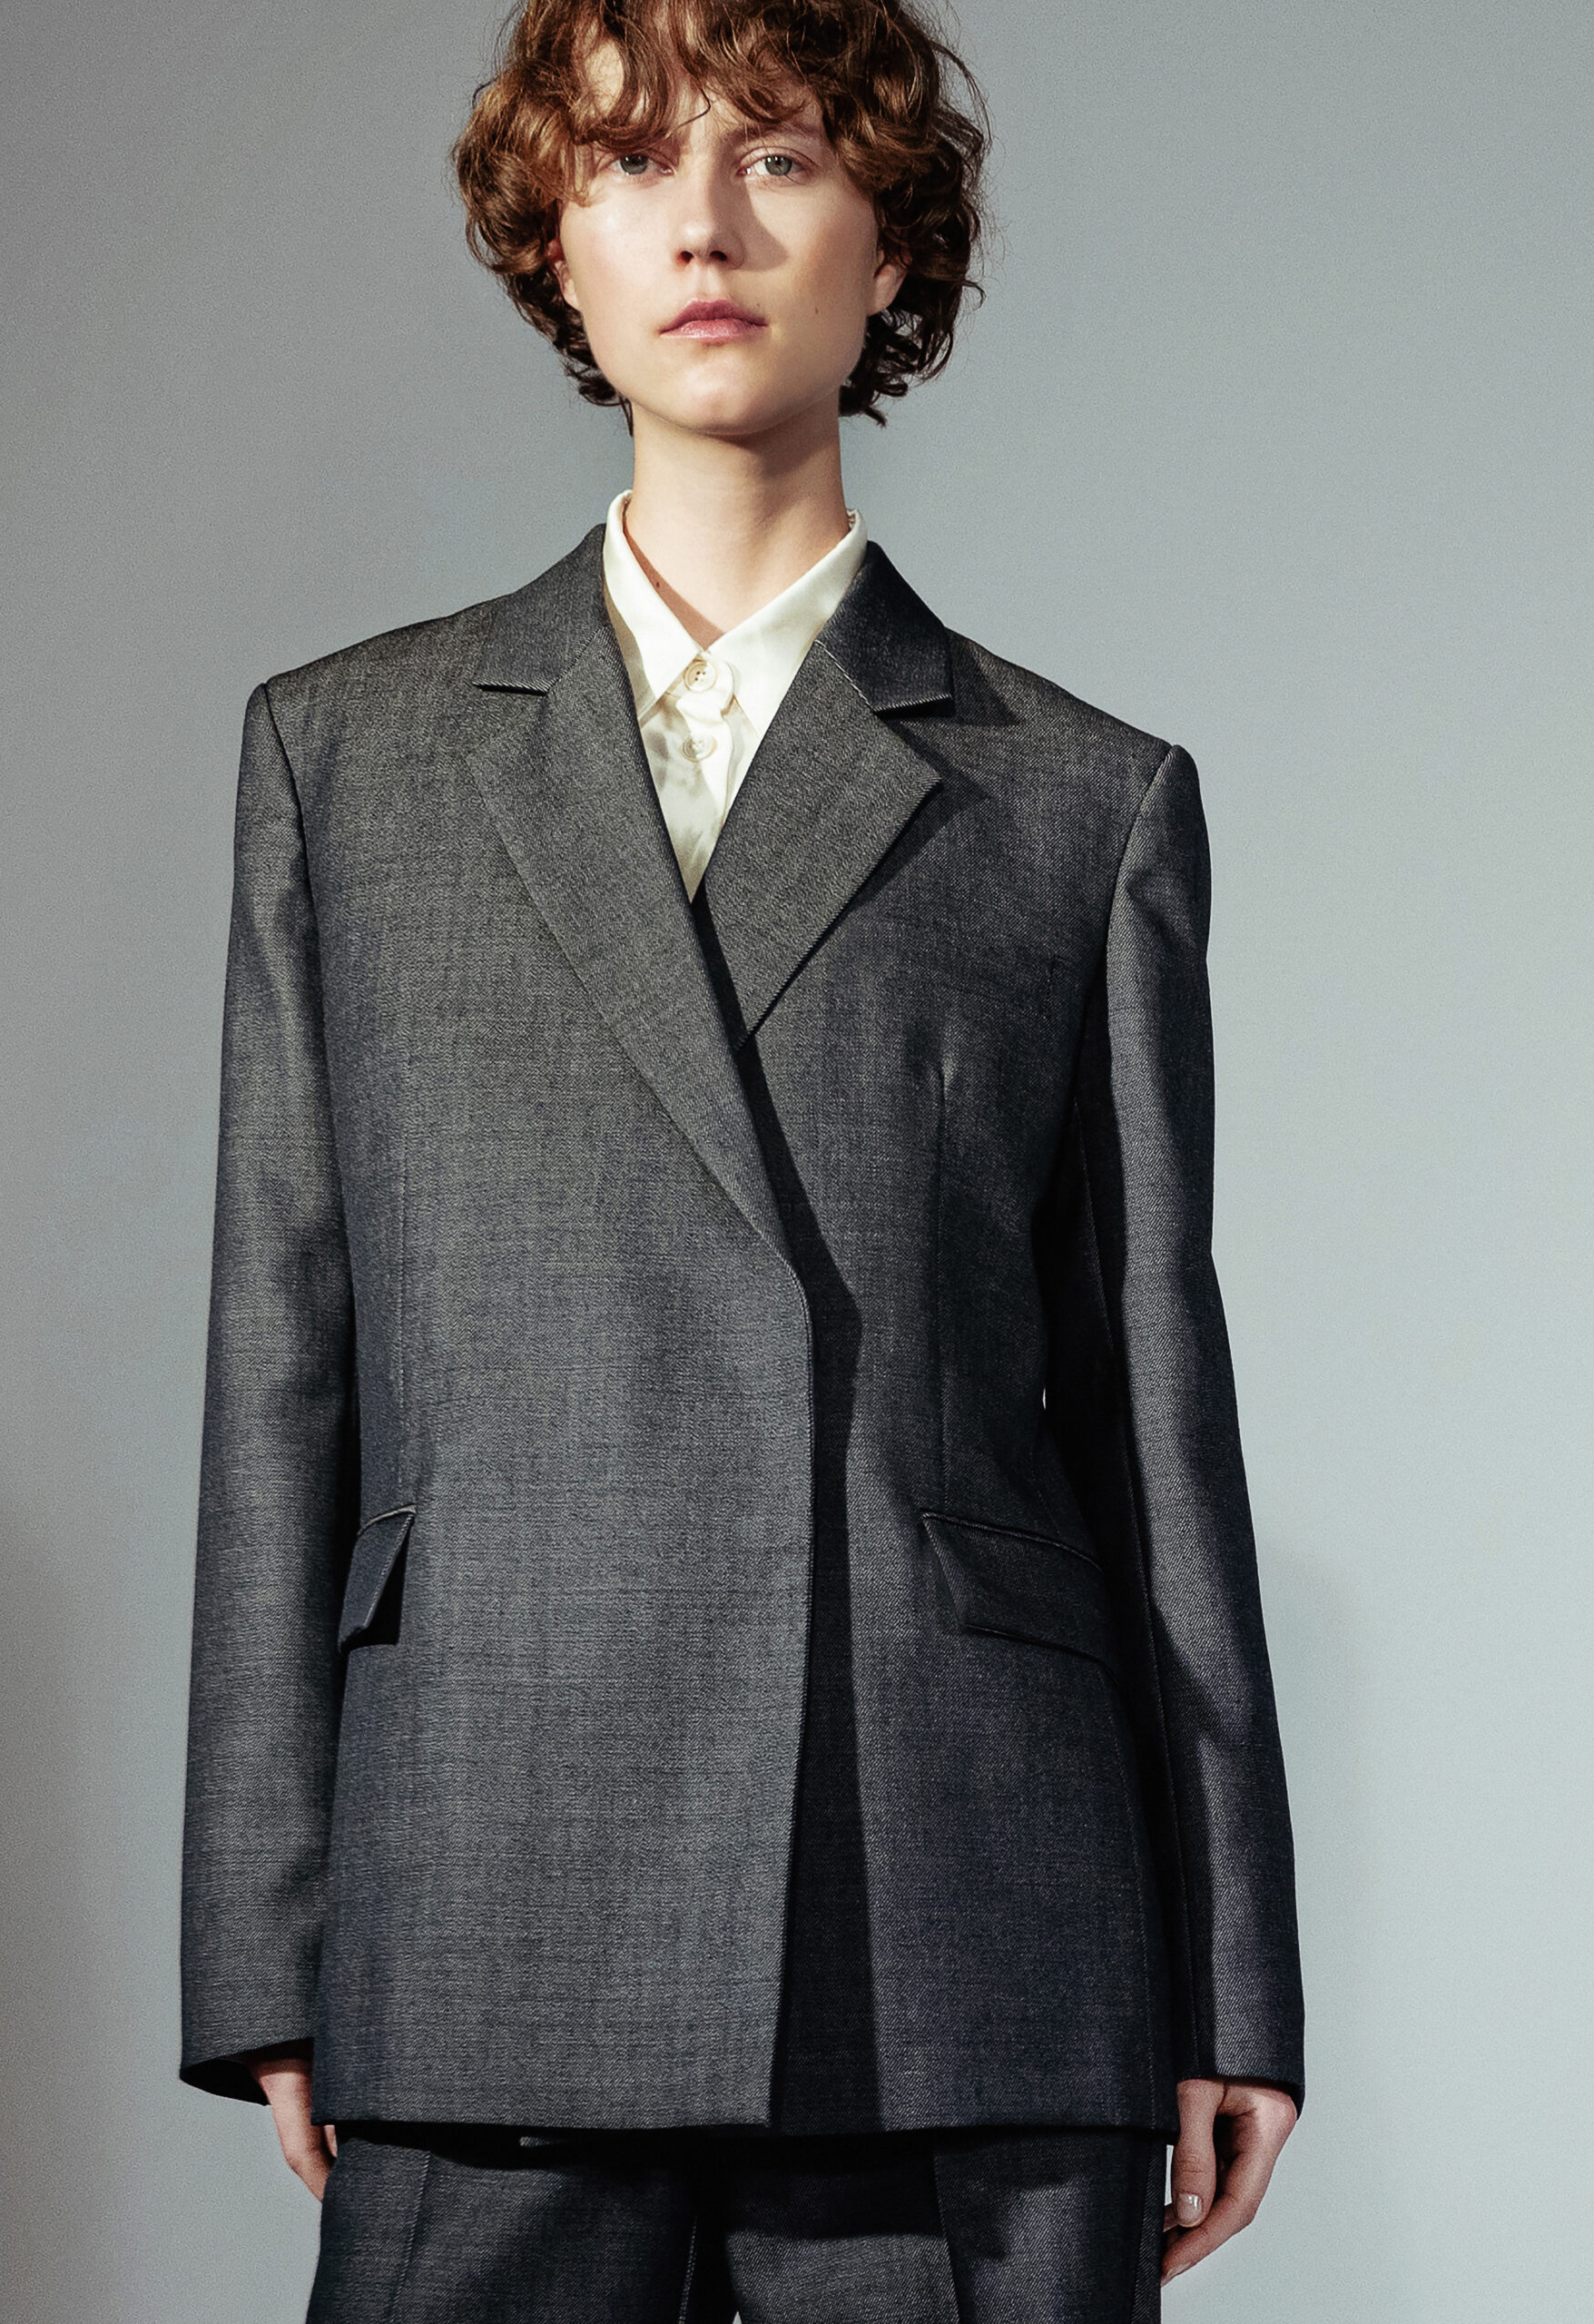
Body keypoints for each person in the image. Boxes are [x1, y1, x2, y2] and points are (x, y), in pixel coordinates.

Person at [179, 2, 1305, 2316]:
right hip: (485, 1868)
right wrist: (266, 1927)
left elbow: (1149, 1421)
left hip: (955, 1914)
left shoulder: (1075, 803)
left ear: (891, 248)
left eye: (778, 156)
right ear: (552, 243)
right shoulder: (348, 760)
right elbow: (282, 1365)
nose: (700, 223)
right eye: (627, 161)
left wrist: (1226, 1977)